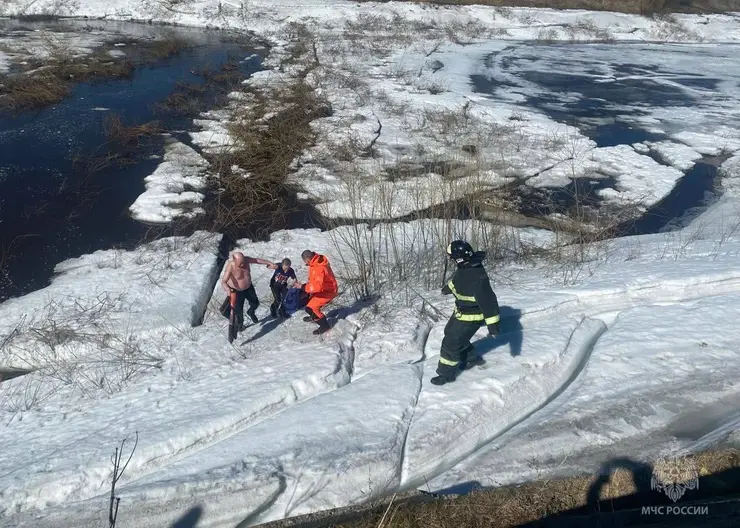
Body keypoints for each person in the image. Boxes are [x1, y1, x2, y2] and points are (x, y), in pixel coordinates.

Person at [431, 240, 500, 386]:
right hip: (461, 312)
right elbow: (458, 281)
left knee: (451, 342)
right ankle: (472, 358)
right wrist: (447, 289)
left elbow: (489, 302)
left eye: (452, 258)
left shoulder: (477, 277)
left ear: (459, 258)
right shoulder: (467, 267)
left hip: (471, 316)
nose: (452, 260)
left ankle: (446, 375)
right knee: (450, 332)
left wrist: (493, 326)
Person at [220, 251, 276, 330]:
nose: (243, 264)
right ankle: (240, 325)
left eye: (243, 262)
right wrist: (227, 289)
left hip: (248, 287)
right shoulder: (230, 266)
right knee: (239, 310)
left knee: (255, 303)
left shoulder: (246, 260)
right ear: (234, 260)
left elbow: (257, 260)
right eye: (240, 263)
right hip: (237, 291)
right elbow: (223, 281)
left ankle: (251, 312)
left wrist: (269, 263)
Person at [292, 249, 338, 335]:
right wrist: (305, 286)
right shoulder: (316, 261)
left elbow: (317, 286)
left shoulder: (318, 268)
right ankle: (314, 317)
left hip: (328, 291)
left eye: (305, 261)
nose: (305, 263)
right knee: (308, 302)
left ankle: (325, 326)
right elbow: (315, 281)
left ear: (308, 259)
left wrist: (303, 287)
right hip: (324, 288)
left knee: (311, 308)